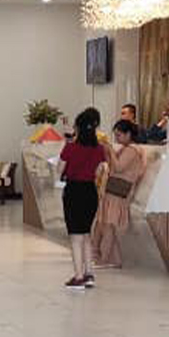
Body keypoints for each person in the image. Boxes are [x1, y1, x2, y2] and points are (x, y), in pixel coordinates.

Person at [58, 107, 107, 289]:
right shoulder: (100, 149)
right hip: (90, 192)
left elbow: (59, 170)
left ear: (77, 128)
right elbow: (99, 171)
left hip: (74, 192)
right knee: (86, 234)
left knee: (75, 237)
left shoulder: (70, 148)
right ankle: (89, 274)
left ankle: (78, 277)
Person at [91, 120, 147, 270]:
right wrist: (107, 150)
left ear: (128, 134)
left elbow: (119, 167)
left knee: (109, 225)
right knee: (104, 223)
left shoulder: (132, 150)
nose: (116, 138)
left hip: (118, 191)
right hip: (114, 189)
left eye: (119, 135)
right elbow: (112, 165)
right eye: (115, 135)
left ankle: (104, 259)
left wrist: (109, 148)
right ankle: (111, 258)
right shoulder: (126, 148)